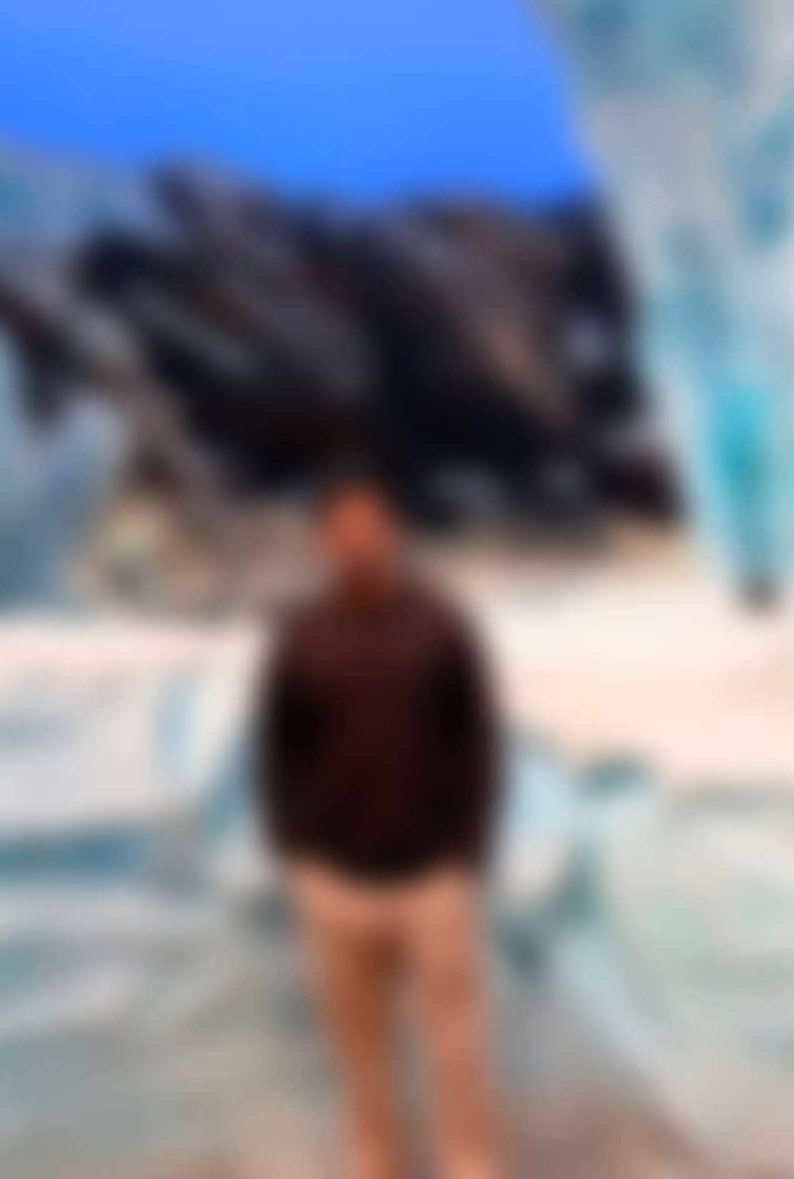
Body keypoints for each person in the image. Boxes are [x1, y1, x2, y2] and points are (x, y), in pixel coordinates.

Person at [258, 468, 502, 1178]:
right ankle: (376, 1165)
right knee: (359, 1053)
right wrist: (298, 856)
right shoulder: (301, 636)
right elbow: (277, 751)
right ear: (324, 542)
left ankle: (469, 1166)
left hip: (431, 880)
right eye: (343, 530)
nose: (358, 541)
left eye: (370, 526)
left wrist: (467, 851)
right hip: (337, 885)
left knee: (456, 1051)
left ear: (391, 533)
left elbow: (476, 741)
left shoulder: (440, 625)